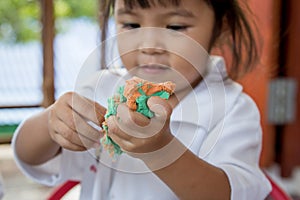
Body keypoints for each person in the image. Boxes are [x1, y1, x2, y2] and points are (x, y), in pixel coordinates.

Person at [12, 0, 272, 199]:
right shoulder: (100, 89)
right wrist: (50, 125)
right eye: (131, 25)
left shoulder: (233, 109)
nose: (148, 45)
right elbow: (31, 156)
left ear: (221, 28)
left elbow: (229, 193)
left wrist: (161, 151)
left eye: (175, 27)